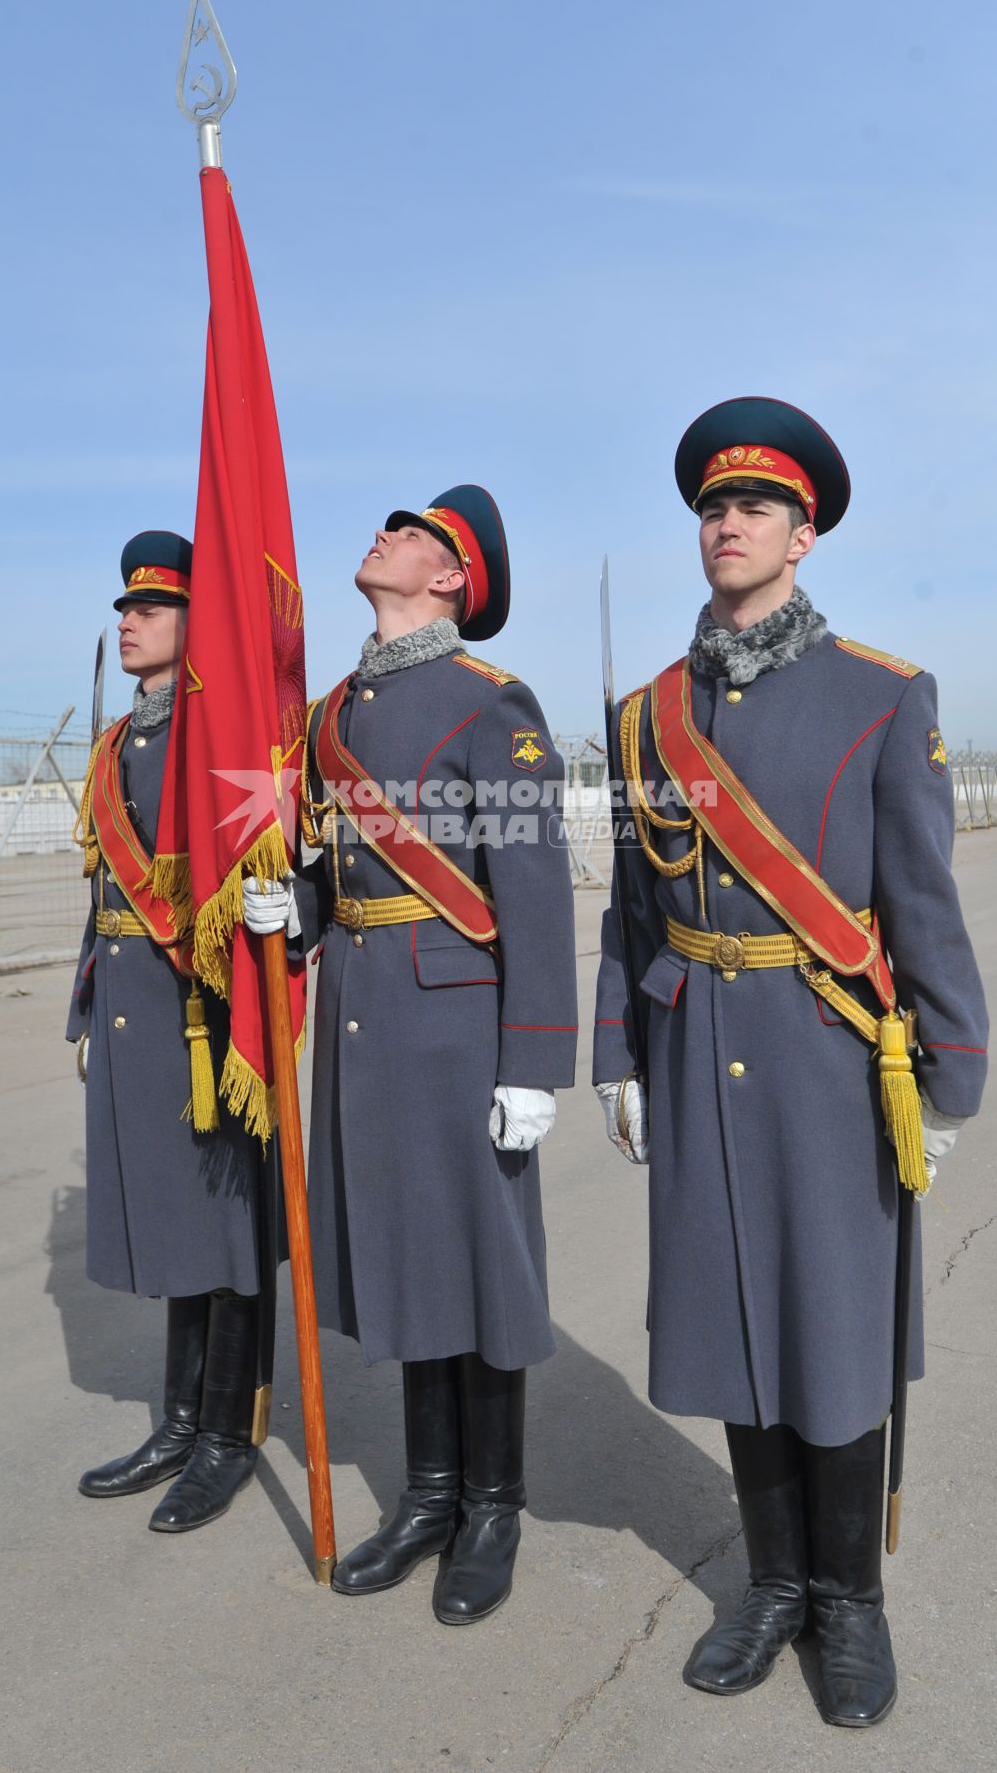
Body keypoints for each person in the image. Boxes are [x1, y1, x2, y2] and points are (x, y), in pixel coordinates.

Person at [593, 400, 988, 1726]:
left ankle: (848, 1604)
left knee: (828, 1326)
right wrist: (621, 1053)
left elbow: (921, 903)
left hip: (828, 1056)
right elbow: (629, 910)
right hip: (697, 1048)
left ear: (802, 536)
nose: (726, 525)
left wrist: (944, 1077)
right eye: (711, 508)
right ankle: (769, 1586)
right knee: (727, 1321)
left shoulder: (880, 695)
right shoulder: (648, 714)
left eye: (754, 508)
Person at [244, 486, 578, 1623]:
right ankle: (428, 1494)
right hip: (362, 1011)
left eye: (411, 533)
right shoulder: (333, 712)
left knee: (476, 1264)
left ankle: (492, 1505)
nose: (383, 535)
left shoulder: (491, 703)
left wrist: (533, 1056)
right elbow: (340, 872)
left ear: (451, 577)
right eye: (389, 526)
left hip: (456, 1015)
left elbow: (530, 884)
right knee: (403, 1255)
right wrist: (292, 912)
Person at [69, 530, 281, 1533]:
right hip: (132, 1011)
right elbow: (103, 884)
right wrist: (83, 1009)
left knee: (225, 1233)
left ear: (197, 628)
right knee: (172, 1222)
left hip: (206, 1020)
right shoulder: (119, 744)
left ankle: (228, 1439)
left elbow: (268, 868)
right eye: (124, 609)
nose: (128, 622)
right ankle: (181, 1421)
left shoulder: (220, 738)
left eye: (149, 610)